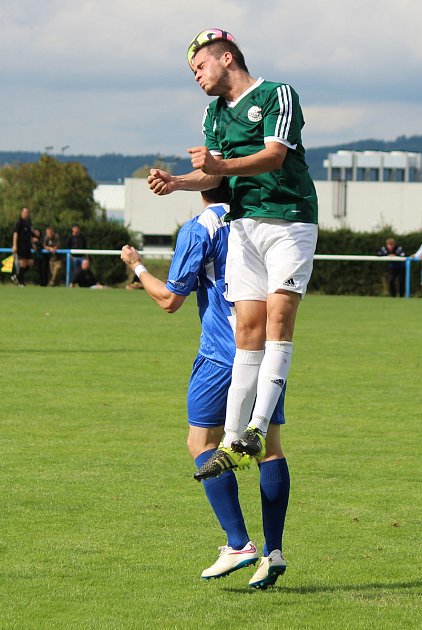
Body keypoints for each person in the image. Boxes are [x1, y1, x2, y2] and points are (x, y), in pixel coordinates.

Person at [148, 30, 318, 500]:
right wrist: (177, 181)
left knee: (278, 319)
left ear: (226, 58)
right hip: (244, 224)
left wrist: (218, 169)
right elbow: (212, 173)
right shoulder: (214, 113)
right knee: (248, 327)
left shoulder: (276, 93)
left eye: (199, 67)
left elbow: (273, 156)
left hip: (288, 222)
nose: (197, 77)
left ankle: (255, 430)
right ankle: (230, 441)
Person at [121, 183, 290, 589]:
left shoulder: (200, 227)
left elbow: (170, 300)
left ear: (202, 185)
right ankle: (273, 552)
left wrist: (137, 266)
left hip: (223, 354)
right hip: (269, 354)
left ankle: (238, 543)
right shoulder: (263, 223)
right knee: (268, 446)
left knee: (201, 444)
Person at [11, 207, 33, 287]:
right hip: (21, 245)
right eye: (24, 212)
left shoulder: (29, 223)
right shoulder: (19, 223)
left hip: (28, 246)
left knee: (30, 263)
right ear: (22, 213)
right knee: (23, 263)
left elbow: (29, 235)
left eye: (27, 212)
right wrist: (14, 245)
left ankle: (16, 276)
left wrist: (32, 243)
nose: (26, 214)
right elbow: (15, 233)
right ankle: (21, 282)